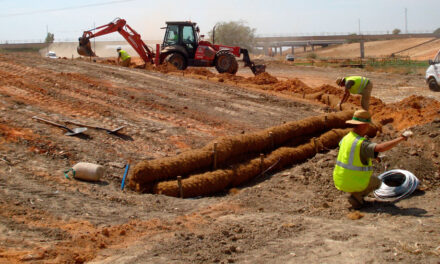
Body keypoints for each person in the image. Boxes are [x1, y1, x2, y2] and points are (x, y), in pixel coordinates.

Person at [333, 109, 413, 209]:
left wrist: (374, 157)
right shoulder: (361, 142)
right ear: (363, 125)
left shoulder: (347, 138)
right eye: (367, 124)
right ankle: (356, 196)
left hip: (340, 180)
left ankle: (353, 192)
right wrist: (402, 138)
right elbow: (380, 148)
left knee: (360, 179)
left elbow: (352, 153)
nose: (368, 127)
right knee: (377, 182)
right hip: (352, 181)